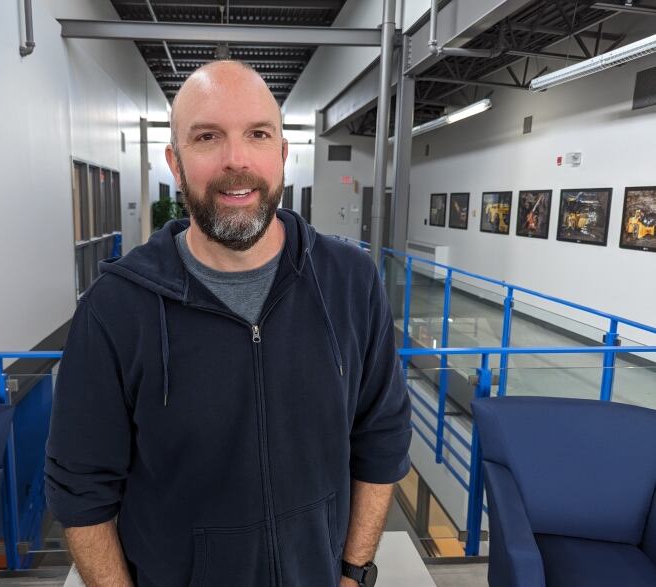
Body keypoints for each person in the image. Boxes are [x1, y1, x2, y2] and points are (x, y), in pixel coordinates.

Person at [45, 60, 412, 587]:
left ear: (283, 155)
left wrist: (354, 572)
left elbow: (382, 439)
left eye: (258, 134)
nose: (236, 160)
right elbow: (81, 491)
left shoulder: (351, 283)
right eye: (207, 136)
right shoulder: (115, 309)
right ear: (175, 161)